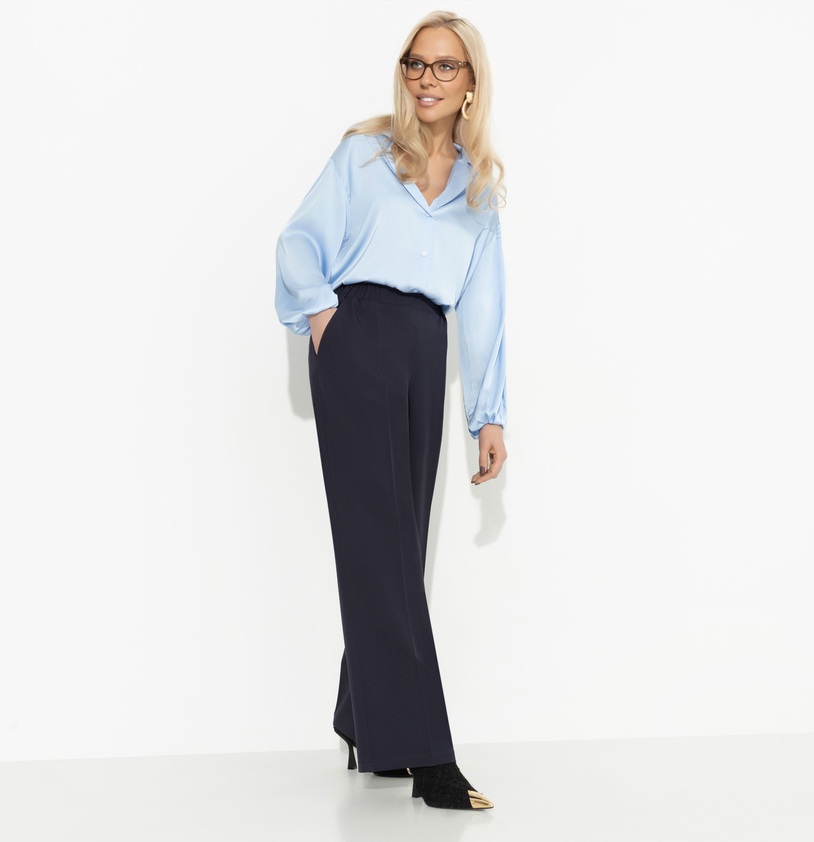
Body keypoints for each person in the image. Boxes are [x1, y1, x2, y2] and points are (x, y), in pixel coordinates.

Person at [274, 10, 507, 810]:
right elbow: (299, 240)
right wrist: (322, 313)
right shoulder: (365, 154)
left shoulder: (479, 188)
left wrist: (488, 415)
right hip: (359, 332)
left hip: (424, 347)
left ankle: (361, 718)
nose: (426, 78)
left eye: (445, 66)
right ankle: (425, 754)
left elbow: (485, 304)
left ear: (470, 84)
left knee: (400, 540)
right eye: (416, 63)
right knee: (379, 542)